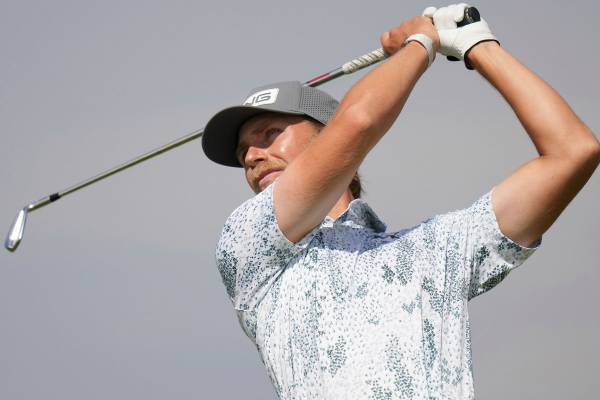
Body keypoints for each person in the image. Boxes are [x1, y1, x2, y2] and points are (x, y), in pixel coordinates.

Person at [201, 4, 600, 399]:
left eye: (270, 133)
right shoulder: (247, 244)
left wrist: (476, 44)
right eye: (243, 152)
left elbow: (573, 152)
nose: (252, 157)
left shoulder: (434, 251)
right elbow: (358, 123)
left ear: (326, 134)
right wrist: (420, 43)